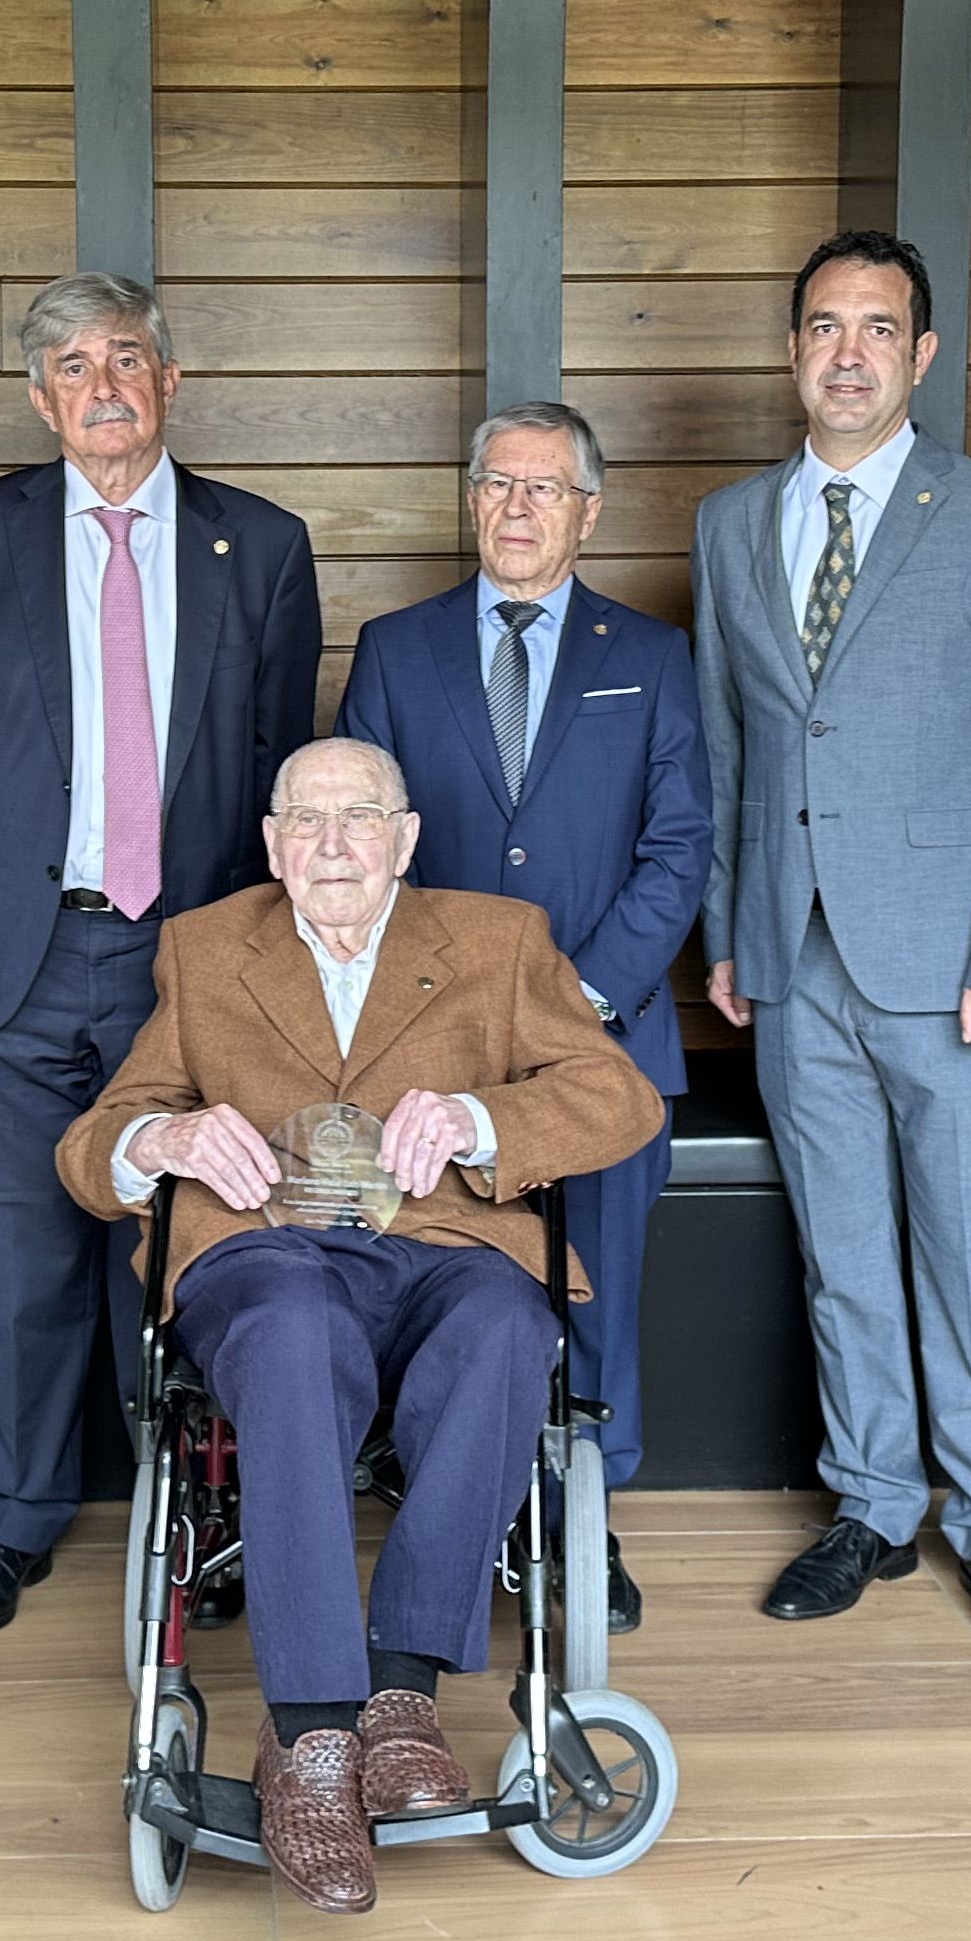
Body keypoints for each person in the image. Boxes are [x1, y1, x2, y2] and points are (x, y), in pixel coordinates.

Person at [60, 735, 666, 1915]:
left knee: (508, 1329)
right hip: (270, 1253)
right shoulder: (204, 949)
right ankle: (315, 1734)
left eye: (360, 816)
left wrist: (480, 1119)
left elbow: (617, 1095)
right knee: (290, 1329)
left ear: (406, 837)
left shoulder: (495, 941)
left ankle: (400, 1693)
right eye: (308, 820)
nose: (334, 843)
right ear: (275, 846)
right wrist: (166, 1141)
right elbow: (95, 1141)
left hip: (445, 1243)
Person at [691, 230, 971, 1659]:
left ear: (922, 356)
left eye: (877, 329)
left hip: (949, 965)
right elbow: (737, 749)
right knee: (845, 1252)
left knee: (969, 1251)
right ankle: (870, 1499)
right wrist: (734, 932)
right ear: (792, 348)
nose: (846, 352)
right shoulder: (734, 525)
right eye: (821, 326)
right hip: (793, 961)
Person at [0, 271, 320, 1643]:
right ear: (41, 398)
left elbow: (273, 767)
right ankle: (17, 1522)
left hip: (189, 961)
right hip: (11, 958)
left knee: (195, 1248)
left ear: (170, 382)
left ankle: (202, 1517)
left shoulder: (258, 546)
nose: (103, 387)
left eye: (128, 359)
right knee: (22, 1254)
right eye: (74, 366)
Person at [339, 400, 704, 1630]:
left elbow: (681, 849)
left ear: (588, 512)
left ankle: (587, 1524)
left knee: (593, 1293)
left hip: (601, 1046)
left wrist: (575, 1002)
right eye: (497, 484)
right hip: (422, 1058)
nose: (516, 507)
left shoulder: (651, 658)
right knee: (443, 1286)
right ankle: (454, 1515)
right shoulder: (395, 649)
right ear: (472, 499)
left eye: (545, 489)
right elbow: (359, 852)